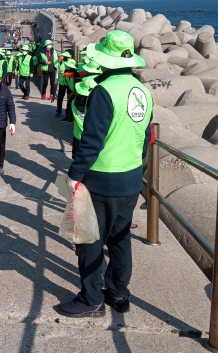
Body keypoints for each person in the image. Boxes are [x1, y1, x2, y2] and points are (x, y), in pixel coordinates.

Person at [57, 30, 153, 319]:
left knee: (89, 239)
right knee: (120, 238)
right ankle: (118, 293)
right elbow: (145, 136)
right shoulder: (142, 90)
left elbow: (92, 139)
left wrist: (75, 173)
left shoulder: (103, 91)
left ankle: (91, 299)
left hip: (103, 177)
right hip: (131, 176)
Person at [70, 76, 97, 159]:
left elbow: (70, 118)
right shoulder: (95, 105)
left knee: (76, 158)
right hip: (91, 137)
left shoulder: (73, 102)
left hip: (78, 135)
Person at [54, 51, 73, 117]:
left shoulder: (73, 63)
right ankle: (59, 110)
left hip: (70, 83)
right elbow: (58, 73)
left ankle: (68, 111)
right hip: (62, 83)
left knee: (69, 97)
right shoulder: (60, 63)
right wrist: (56, 82)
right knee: (60, 97)